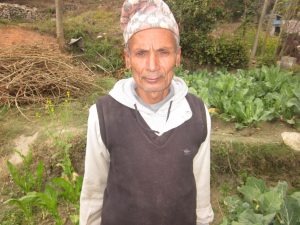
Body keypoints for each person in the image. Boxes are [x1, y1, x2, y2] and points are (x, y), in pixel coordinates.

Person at [80, 0, 214, 224]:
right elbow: (93, 192)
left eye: (163, 52)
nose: (152, 65)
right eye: (141, 53)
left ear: (178, 56)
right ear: (127, 58)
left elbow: (201, 187)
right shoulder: (103, 115)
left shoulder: (197, 115)